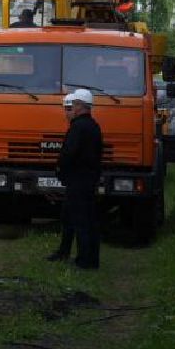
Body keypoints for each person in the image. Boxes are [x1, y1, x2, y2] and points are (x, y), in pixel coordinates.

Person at [48, 88, 103, 269]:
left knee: (81, 221)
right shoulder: (94, 126)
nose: (71, 108)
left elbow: (69, 153)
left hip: (78, 180)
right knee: (76, 218)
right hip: (88, 179)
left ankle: (85, 261)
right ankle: (76, 255)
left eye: (73, 105)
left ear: (80, 106)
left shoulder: (78, 127)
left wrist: (60, 168)